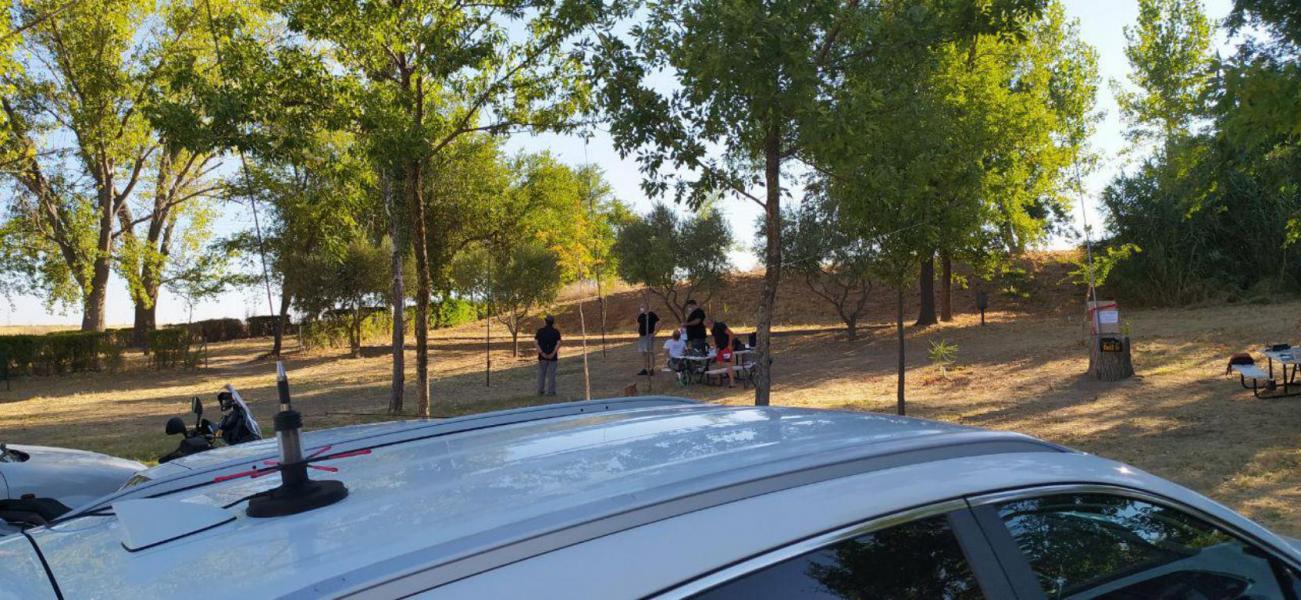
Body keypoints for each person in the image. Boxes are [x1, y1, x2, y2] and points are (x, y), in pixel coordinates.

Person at [534, 315, 561, 396]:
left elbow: (536, 343)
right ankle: (551, 392)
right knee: (552, 375)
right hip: (553, 357)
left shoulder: (540, 331)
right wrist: (553, 353)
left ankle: (540, 391)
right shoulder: (556, 332)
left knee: (541, 374)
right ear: (553, 322)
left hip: (542, 356)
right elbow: (558, 343)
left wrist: (542, 353)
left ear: (545, 322)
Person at [708, 319, 736, 387]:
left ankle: (732, 382)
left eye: (707, 325)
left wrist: (730, 345)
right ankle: (719, 380)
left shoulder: (721, 325)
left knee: (728, 363)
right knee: (718, 363)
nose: (707, 327)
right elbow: (715, 338)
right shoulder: (712, 329)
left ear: (710, 323)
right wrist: (716, 347)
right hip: (720, 348)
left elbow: (731, 334)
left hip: (726, 347)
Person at [635, 303, 659, 376]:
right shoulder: (641, 316)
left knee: (650, 352)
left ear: (646, 307)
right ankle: (645, 369)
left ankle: (652, 369)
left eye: (642, 307)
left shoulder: (652, 314)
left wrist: (655, 332)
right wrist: (637, 330)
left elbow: (659, 322)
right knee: (644, 353)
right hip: (642, 336)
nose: (641, 308)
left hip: (649, 335)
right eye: (641, 307)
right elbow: (638, 324)